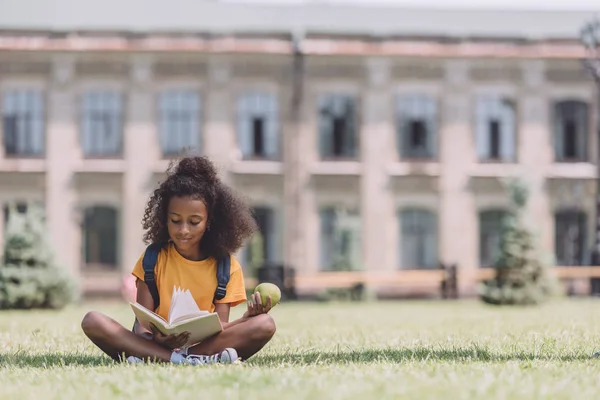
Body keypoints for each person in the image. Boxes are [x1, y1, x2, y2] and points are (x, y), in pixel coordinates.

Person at [81, 156, 277, 365]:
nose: (183, 230)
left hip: (204, 344)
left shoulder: (226, 267)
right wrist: (157, 338)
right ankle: (184, 360)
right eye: (175, 221)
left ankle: (178, 358)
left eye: (194, 222)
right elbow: (142, 327)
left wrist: (247, 318)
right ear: (165, 219)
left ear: (209, 221)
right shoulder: (152, 258)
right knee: (92, 320)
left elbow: (220, 326)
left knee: (264, 324)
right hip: (153, 344)